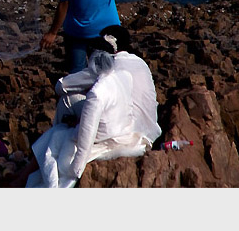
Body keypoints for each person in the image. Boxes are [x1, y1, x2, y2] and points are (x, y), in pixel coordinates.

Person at [18, 25, 161, 188]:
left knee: (67, 102)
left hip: (121, 134)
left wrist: (88, 80)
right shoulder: (139, 64)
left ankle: (43, 159)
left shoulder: (107, 68)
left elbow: (61, 86)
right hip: (148, 132)